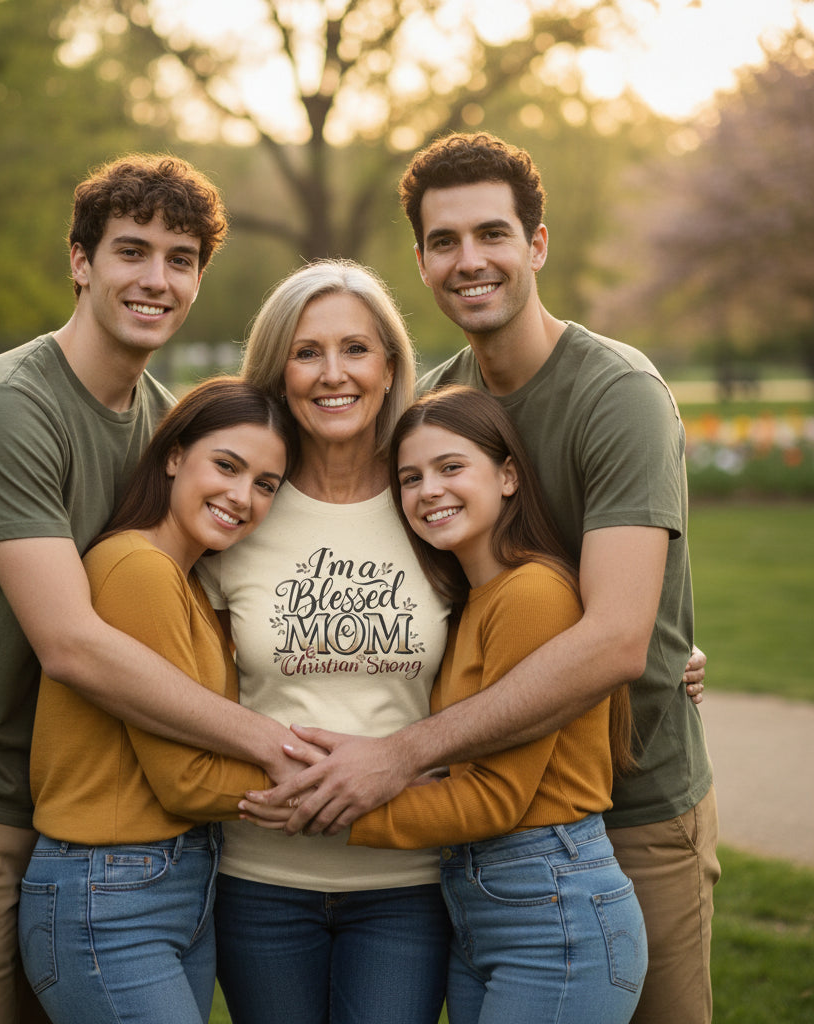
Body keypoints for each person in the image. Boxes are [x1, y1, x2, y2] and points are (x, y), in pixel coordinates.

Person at [251, 132, 719, 1024]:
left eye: (493, 234)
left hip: (632, 801)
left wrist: (397, 758)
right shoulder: (436, 408)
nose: (471, 261)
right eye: (444, 242)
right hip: (479, 838)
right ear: (422, 263)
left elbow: (618, 636)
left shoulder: (615, 393)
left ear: (535, 245)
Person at [0, 153, 316, 1024]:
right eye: (132, 251)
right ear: (81, 261)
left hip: (77, 817)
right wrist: (271, 743)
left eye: (180, 259)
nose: (157, 279)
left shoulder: (165, 424)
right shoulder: (9, 408)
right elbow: (70, 643)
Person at [196, 260, 454, 1023]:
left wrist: (675, 659)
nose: (332, 374)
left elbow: (528, 621)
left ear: (390, 366)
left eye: (355, 349)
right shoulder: (239, 507)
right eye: (307, 352)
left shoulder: (432, 499)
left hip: (406, 886)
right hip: (258, 881)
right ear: (277, 369)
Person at [19, 377, 295, 1024]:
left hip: (172, 882)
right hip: (109, 890)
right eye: (226, 466)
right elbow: (187, 782)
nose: (241, 496)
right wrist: (342, 778)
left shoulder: (190, 582)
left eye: (265, 484)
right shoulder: (137, 569)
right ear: (174, 455)